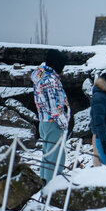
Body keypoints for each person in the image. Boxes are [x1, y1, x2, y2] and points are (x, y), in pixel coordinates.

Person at [31, 49, 70, 183]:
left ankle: (44, 188)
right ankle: (51, 191)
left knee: (47, 157)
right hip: (53, 122)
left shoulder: (42, 76)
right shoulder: (50, 80)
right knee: (55, 159)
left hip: (45, 121)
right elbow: (54, 106)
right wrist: (64, 123)